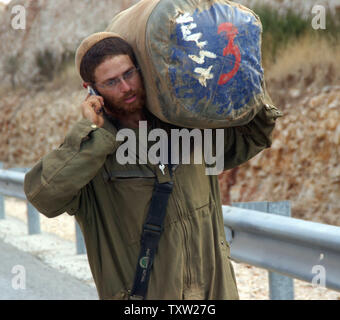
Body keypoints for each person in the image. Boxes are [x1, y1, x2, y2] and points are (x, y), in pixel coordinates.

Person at [24, 31, 282, 300]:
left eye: (129, 74)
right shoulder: (94, 152)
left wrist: (244, 77)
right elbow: (44, 196)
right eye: (111, 82)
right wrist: (92, 131)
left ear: (141, 68)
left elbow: (254, 135)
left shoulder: (187, 125)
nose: (126, 87)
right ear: (91, 89)